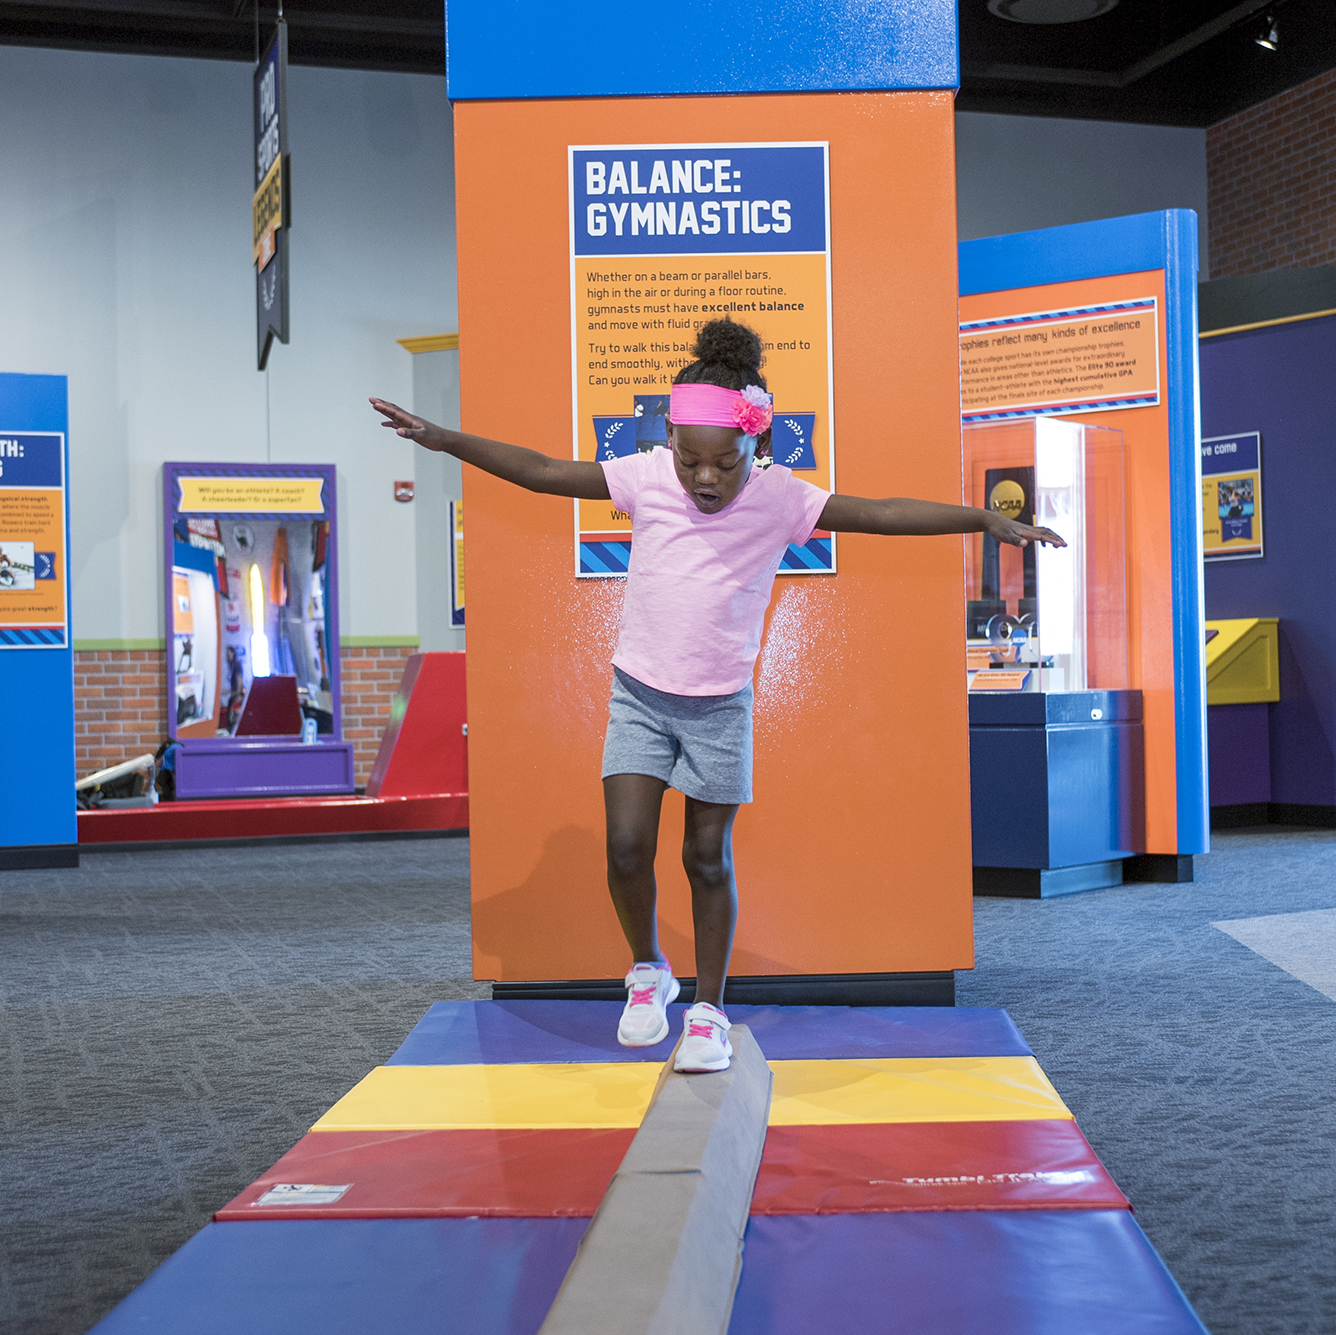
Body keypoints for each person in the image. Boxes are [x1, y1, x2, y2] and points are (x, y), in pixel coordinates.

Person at [371, 319, 1064, 1074]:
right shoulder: (644, 478)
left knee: (706, 855)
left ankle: (707, 1008)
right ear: (669, 441)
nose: (705, 478)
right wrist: (444, 438)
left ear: (755, 449)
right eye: (690, 459)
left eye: (724, 464)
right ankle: (648, 970)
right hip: (639, 694)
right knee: (627, 844)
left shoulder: (778, 498)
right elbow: (541, 470)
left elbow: (880, 513)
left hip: (718, 705)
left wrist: (981, 518)